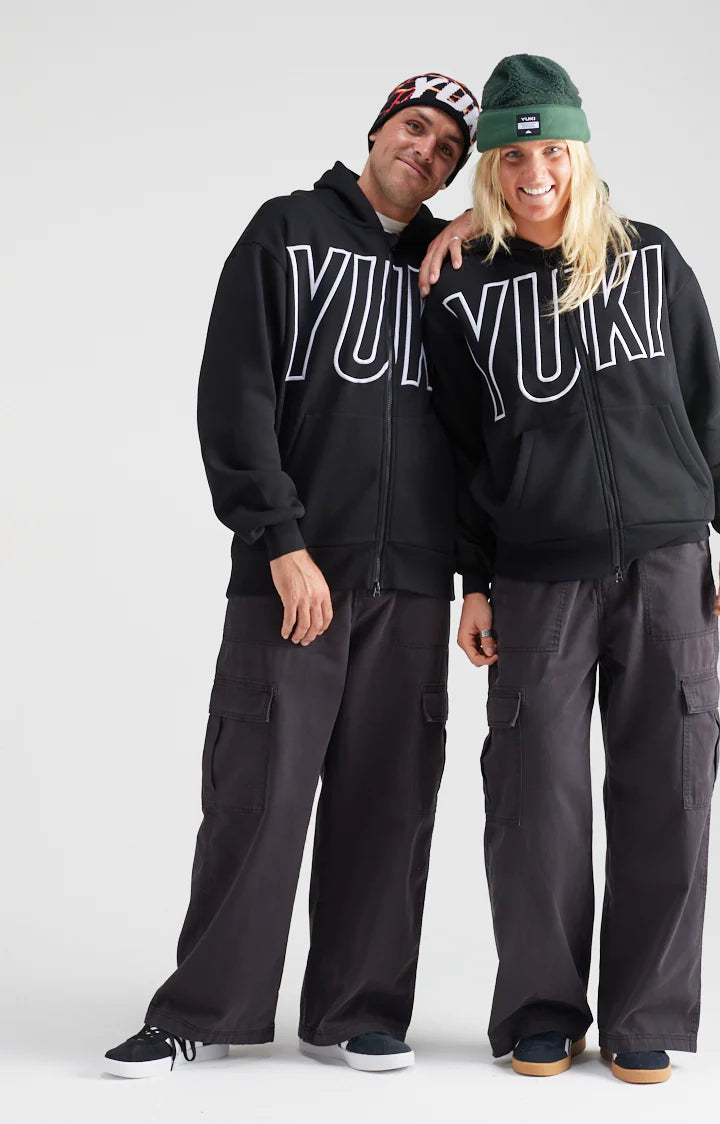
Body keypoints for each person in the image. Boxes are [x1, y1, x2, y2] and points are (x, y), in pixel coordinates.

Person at [103, 72, 479, 1079]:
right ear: (377, 130)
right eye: (414, 128)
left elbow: (480, 428)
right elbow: (234, 391)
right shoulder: (285, 231)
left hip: (414, 581)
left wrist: (478, 222)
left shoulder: (455, 268)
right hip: (293, 573)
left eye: (448, 149)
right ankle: (203, 1009)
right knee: (256, 794)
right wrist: (280, 538)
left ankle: (355, 1011)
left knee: (389, 801)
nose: (425, 151)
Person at [424, 54, 720, 1083]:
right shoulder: (460, 289)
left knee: (670, 788)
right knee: (536, 797)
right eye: (512, 156)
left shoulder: (649, 259)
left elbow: (704, 400)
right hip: (536, 574)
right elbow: (456, 453)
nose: (535, 173)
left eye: (552, 152)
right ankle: (540, 1007)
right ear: (489, 166)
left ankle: (643, 1011)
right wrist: (474, 581)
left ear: (579, 152)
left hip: (667, 564)